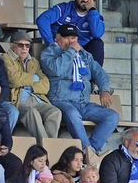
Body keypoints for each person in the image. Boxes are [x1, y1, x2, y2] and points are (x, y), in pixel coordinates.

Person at [42, 23, 119, 154]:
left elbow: (100, 74)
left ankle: (91, 150)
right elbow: (56, 69)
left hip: (84, 103)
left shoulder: (85, 55)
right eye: (67, 38)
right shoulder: (49, 52)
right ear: (57, 37)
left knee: (112, 116)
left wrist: (104, 90)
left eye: (73, 38)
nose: (70, 41)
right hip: (61, 101)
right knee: (73, 114)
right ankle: (86, 151)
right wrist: (71, 51)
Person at [3, 32, 61, 142]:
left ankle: (50, 144)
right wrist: (34, 78)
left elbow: (46, 85)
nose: (24, 48)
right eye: (20, 45)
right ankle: (44, 146)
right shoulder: (6, 58)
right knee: (32, 112)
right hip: (18, 99)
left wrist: (29, 84)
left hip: (36, 97)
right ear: (11, 45)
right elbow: (13, 79)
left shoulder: (33, 61)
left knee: (55, 112)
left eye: (27, 45)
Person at [36, 0, 107, 65]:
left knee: (98, 43)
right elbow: (42, 20)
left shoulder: (94, 15)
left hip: (82, 51)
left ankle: (95, 73)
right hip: (62, 49)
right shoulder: (64, 8)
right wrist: (52, 43)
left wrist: (92, 10)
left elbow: (97, 34)